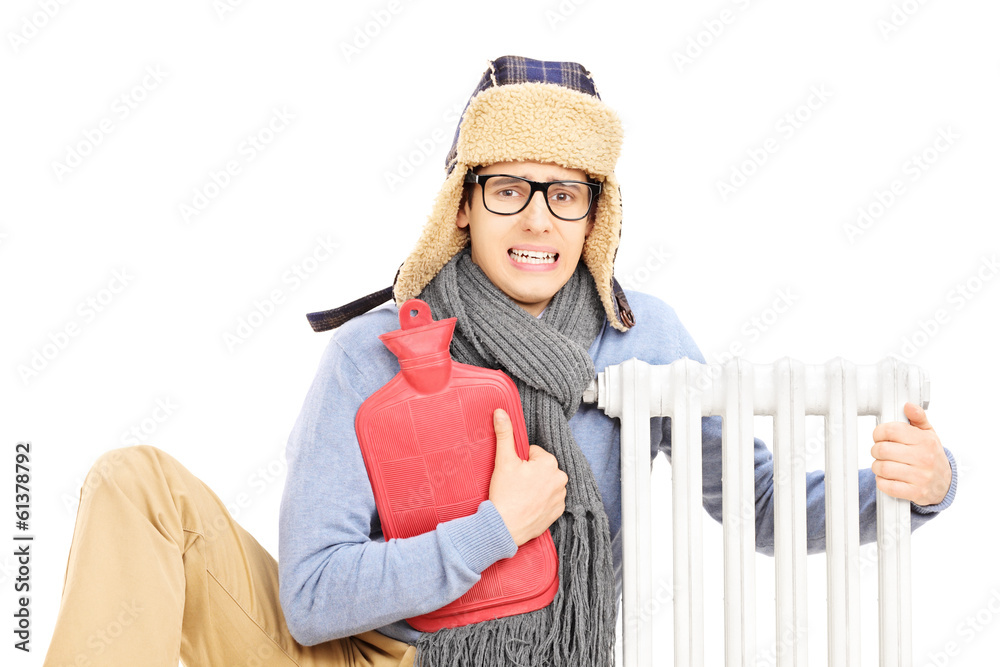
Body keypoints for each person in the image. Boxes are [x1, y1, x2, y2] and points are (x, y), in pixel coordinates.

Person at [44, 56, 957, 667]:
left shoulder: (643, 338)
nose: (537, 220)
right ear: (465, 204)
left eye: (565, 194)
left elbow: (763, 507)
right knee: (137, 482)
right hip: (364, 655)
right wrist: (490, 528)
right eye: (509, 187)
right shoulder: (375, 349)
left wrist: (910, 488)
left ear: (596, 216)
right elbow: (313, 599)